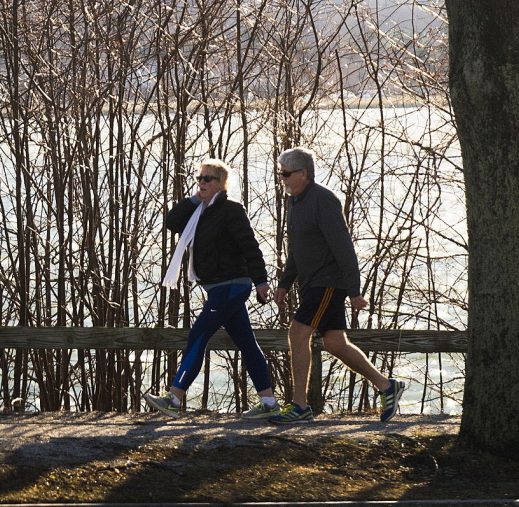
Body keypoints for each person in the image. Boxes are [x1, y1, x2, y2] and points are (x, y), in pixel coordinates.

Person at [269, 147, 405, 424]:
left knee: (297, 334)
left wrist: (354, 290)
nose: (281, 178)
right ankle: (387, 386)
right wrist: (285, 283)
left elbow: (344, 247)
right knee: (334, 343)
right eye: (280, 173)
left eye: (285, 173)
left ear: (303, 174)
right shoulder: (295, 203)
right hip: (312, 284)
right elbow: (296, 249)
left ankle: (300, 406)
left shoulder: (323, 201)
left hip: (328, 282)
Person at [143, 159, 281, 420]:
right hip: (218, 288)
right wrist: (194, 200)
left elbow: (250, 247)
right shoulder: (199, 212)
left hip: (230, 286)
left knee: (198, 336)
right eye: (199, 178)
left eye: (208, 179)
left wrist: (261, 281)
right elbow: (172, 222)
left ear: (220, 184)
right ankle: (269, 402)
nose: (202, 182)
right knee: (247, 344)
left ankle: (173, 398)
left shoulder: (231, 210)